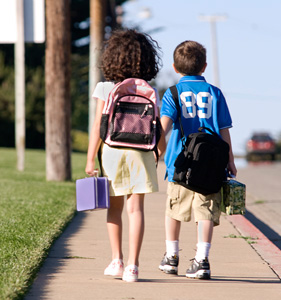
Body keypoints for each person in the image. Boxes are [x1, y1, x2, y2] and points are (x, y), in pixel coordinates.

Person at [85, 28, 162, 282]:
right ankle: (133, 266)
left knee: (114, 208)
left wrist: (89, 159)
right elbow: (156, 126)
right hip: (141, 152)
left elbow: (98, 125)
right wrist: (158, 151)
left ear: (112, 58)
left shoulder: (106, 87)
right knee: (135, 209)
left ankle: (116, 260)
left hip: (112, 151)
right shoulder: (148, 89)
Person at [156, 40, 237, 280]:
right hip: (212, 164)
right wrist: (230, 160)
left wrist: (156, 152)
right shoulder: (215, 93)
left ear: (175, 67)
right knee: (206, 212)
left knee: (173, 210)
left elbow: (164, 128)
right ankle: (202, 260)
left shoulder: (172, 93)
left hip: (179, 164)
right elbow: (224, 130)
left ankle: (172, 257)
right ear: (204, 67)